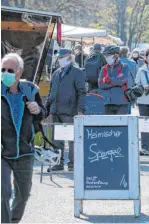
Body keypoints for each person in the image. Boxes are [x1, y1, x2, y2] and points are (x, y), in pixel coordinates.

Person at [1, 53, 45, 223]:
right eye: (2, 69)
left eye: (9, 70)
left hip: (25, 151)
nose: (5, 73)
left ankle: (12, 221)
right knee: (3, 193)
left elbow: (43, 113)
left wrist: (38, 110)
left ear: (19, 71)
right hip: (3, 152)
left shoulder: (30, 90)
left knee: (24, 195)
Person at [45, 48, 86, 171]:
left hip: (70, 110)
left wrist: (81, 110)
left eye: (61, 57)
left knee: (72, 139)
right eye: (59, 57)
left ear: (69, 57)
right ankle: (58, 163)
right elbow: (51, 91)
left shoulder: (77, 72)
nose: (59, 59)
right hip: (55, 110)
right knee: (56, 138)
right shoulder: (56, 73)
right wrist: (47, 108)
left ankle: (73, 164)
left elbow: (82, 92)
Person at [98, 45, 129, 115]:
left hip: (121, 102)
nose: (106, 57)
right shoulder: (104, 68)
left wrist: (107, 80)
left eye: (108, 55)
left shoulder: (124, 67)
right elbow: (101, 85)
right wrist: (116, 80)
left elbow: (122, 81)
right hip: (107, 102)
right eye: (105, 56)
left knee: (121, 125)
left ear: (116, 55)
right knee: (108, 125)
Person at [119, 46, 138, 114]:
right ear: (128, 53)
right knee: (128, 107)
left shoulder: (116, 62)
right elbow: (136, 76)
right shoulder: (133, 63)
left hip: (118, 88)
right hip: (129, 88)